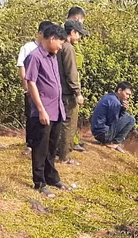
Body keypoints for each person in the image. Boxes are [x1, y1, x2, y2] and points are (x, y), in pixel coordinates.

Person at [24, 23, 67, 195]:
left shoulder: (52, 56)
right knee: (40, 147)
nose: (61, 46)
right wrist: (41, 109)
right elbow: (31, 82)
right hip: (44, 110)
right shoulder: (35, 57)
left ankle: (51, 177)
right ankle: (39, 181)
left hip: (56, 109)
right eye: (60, 43)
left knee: (52, 146)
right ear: (52, 39)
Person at [17, 20, 53, 156]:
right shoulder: (28, 47)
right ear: (40, 34)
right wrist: (25, 84)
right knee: (31, 116)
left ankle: (42, 143)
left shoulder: (49, 49)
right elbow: (21, 66)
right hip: (31, 88)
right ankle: (30, 144)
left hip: (44, 91)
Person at [56, 19, 88, 166]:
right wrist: (78, 93)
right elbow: (71, 73)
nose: (80, 38)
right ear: (73, 32)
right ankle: (65, 156)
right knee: (69, 124)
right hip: (68, 94)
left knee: (60, 124)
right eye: (79, 34)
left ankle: (58, 153)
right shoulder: (68, 48)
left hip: (59, 92)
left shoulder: (59, 45)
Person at [66, 6, 87, 153]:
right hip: (69, 83)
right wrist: (77, 90)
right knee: (68, 117)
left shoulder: (73, 40)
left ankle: (73, 140)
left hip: (74, 78)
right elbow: (72, 65)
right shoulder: (66, 40)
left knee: (73, 115)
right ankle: (66, 150)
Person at [91, 82, 135, 151]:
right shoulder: (115, 103)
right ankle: (114, 143)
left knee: (127, 116)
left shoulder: (109, 97)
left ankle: (111, 141)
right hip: (102, 134)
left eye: (129, 95)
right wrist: (122, 111)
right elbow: (113, 122)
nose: (128, 97)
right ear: (119, 91)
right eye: (127, 94)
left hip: (97, 132)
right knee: (131, 119)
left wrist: (123, 110)